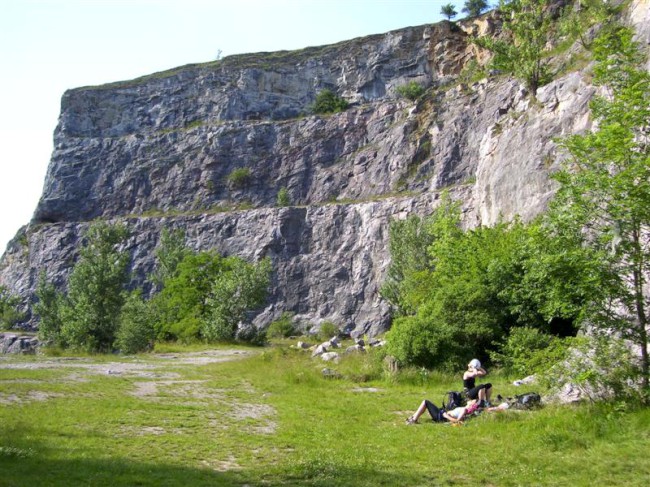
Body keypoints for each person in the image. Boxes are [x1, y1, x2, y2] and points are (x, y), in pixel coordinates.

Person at [406, 399, 480, 425]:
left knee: (425, 402)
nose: (470, 400)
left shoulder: (464, 410)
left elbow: (458, 421)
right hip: (442, 414)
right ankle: (413, 418)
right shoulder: (463, 408)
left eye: (472, 401)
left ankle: (413, 419)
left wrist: (446, 416)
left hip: (441, 417)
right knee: (426, 403)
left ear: (471, 405)